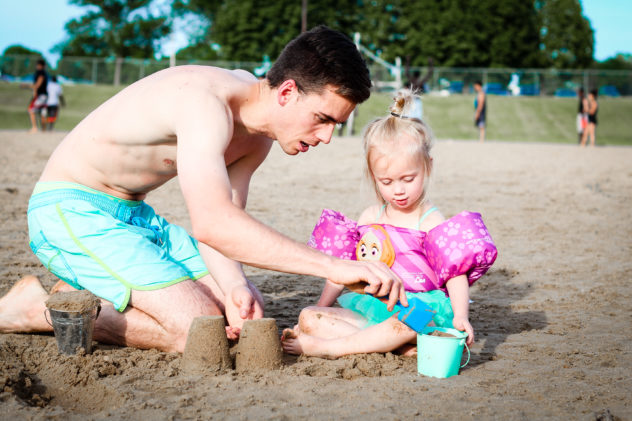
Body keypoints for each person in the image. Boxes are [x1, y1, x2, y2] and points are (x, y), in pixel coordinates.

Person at [0, 26, 408, 353]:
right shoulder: (205, 104)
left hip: (134, 217)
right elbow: (213, 224)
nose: (325, 137)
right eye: (322, 119)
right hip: (70, 210)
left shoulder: (259, 136)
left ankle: (83, 289)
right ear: (287, 92)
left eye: (334, 124)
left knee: (235, 312)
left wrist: (233, 285)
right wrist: (332, 265)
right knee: (197, 333)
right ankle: (34, 310)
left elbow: (226, 223)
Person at [281, 90, 498, 358]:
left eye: (408, 179)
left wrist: (461, 316)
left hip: (417, 312)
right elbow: (341, 271)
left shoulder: (429, 219)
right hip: (373, 309)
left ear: (427, 167)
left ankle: (330, 348)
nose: (398, 190)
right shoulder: (370, 218)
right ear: (374, 177)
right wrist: (321, 305)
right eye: (387, 182)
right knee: (309, 317)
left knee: (411, 321)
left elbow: (455, 274)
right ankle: (398, 348)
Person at [26, 59, 49, 133]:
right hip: (44, 95)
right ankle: (44, 129)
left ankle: (34, 127)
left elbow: (38, 84)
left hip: (41, 95)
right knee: (42, 111)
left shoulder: (40, 73)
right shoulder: (44, 73)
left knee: (31, 110)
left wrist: (30, 86)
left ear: (39, 65)